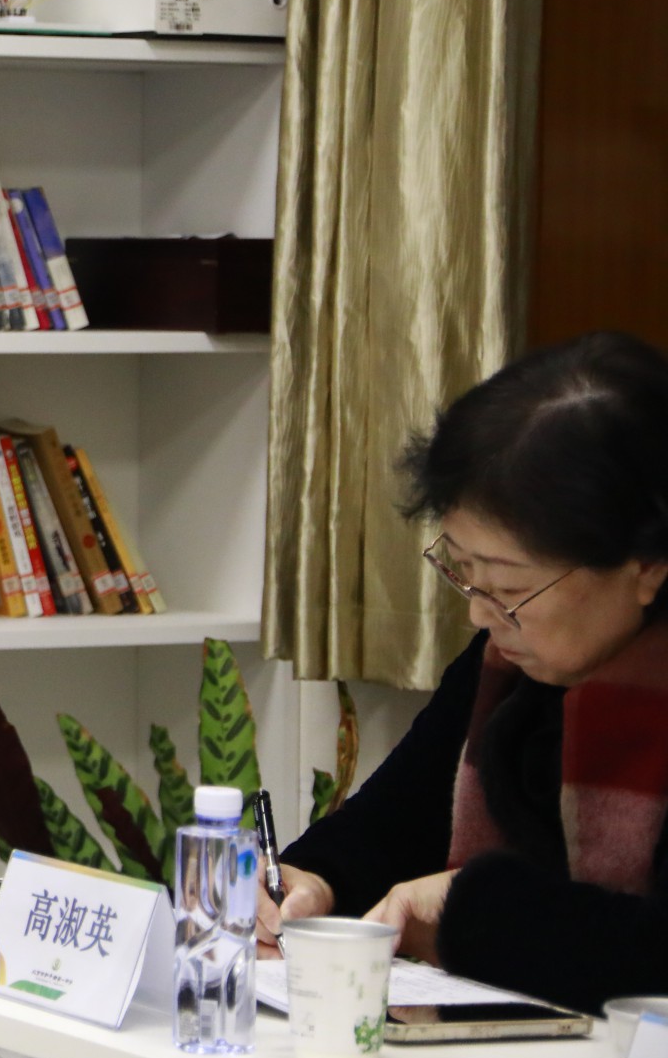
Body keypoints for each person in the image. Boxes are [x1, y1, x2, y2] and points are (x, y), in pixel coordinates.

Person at [263, 330, 668, 1014]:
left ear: (647, 566)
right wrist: (312, 880)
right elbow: (391, 825)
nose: (480, 613)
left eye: (509, 587)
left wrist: (473, 907)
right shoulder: (507, 666)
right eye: (462, 570)